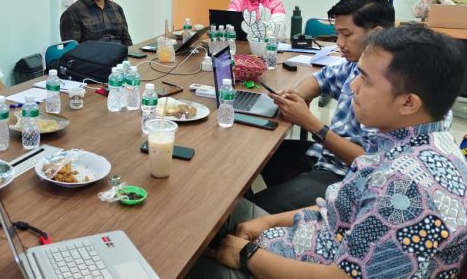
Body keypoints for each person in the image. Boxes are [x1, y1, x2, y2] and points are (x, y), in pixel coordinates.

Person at [190, 24, 467, 278]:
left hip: (294, 265)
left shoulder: (405, 191)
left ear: (408, 103)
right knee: (205, 207)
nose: (353, 86)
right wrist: (267, 222)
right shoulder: (420, 142)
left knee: (182, 258)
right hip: (304, 242)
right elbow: (339, 211)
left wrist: (246, 255)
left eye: (366, 80)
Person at [251, 0, 394, 214]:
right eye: (337, 34)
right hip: (327, 156)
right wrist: (296, 96)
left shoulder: (392, 84)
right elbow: (322, 79)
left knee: (250, 210)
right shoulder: (358, 62)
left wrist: (311, 123)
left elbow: (370, 165)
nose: (339, 43)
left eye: (346, 34)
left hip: (347, 177)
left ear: (376, 34)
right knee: (258, 156)